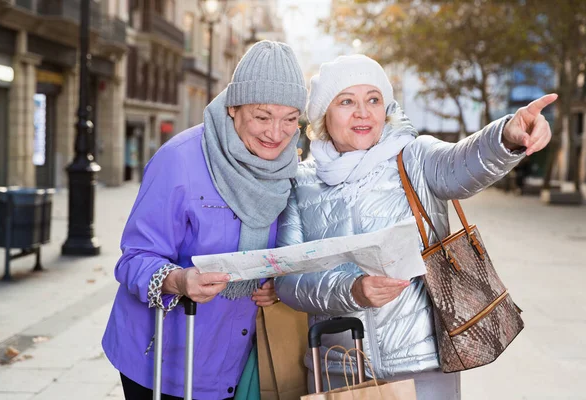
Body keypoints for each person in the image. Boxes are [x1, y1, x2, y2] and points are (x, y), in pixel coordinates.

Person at [274, 54, 555, 400]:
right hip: (339, 366)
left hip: (423, 365)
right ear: (322, 115)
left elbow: (462, 162)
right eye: (347, 101)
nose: (363, 112)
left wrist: (506, 137)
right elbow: (288, 280)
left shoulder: (414, 157)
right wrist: (352, 291)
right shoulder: (300, 184)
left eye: (373, 100)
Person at [102, 40, 307, 400]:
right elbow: (133, 260)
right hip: (163, 361)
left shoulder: (289, 171)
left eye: (290, 119)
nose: (277, 133)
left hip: (234, 361)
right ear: (233, 107)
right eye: (262, 116)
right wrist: (179, 280)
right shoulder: (179, 161)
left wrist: (276, 284)